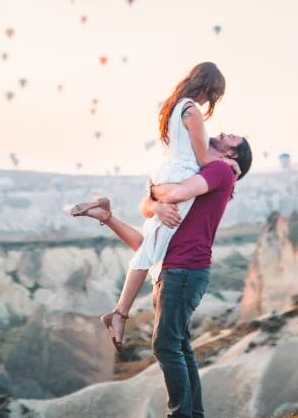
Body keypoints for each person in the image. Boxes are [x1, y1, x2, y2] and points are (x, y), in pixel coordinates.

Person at [71, 132, 252, 418]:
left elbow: (172, 194)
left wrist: (154, 191)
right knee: (180, 346)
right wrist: (151, 203)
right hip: (173, 268)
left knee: (165, 345)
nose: (221, 133)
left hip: (185, 270)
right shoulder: (203, 172)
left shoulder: (219, 171)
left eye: (230, 137)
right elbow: (148, 228)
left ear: (232, 156)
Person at [69, 62, 231, 354]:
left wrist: (156, 199)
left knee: (152, 244)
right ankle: (118, 314)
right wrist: (224, 170)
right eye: (214, 94)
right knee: (151, 249)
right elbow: (204, 159)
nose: (211, 101)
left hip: (164, 173)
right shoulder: (192, 110)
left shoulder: (172, 107)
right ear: (208, 86)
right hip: (181, 176)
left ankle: (106, 217)